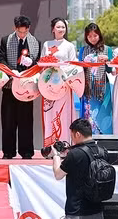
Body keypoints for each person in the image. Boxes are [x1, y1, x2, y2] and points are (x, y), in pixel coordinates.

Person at [0, 15, 40, 160]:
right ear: (14, 28)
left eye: (24, 32)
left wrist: (32, 63)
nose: (22, 34)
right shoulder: (6, 40)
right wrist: (11, 71)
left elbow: (39, 64)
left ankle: (26, 151)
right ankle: (8, 151)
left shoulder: (35, 42)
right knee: (8, 120)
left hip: (27, 87)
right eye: (19, 31)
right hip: (10, 86)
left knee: (26, 120)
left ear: (28, 29)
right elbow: (1, 60)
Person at [52, 118, 107, 219]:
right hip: (97, 210)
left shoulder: (75, 154)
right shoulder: (102, 151)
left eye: (72, 136)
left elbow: (58, 175)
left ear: (77, 134)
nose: (72, 139)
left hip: (77, 212)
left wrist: (56, 156)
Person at [41, 17, 77, 149]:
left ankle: (64, 147)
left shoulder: (69, 46)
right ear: (53, 29)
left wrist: (61, 70)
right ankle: (50, 148)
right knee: (49, 114)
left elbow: (73, 65)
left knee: (63, 114)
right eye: (58, 27)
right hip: (49, 85)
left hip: (64, 84)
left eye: (63, 27)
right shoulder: (46, 44)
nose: (61, 29)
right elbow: (42, 62)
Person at [78, 23, 113, 135]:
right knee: (88, 116)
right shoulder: (83, 50)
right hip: (87, 89)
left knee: (104, 116)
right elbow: (79, 68)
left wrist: (108, 60)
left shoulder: (107, 49)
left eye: (95, 35)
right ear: (86, 37)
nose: (92, 38)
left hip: (103, 89)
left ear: (99, 35)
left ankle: (105, 142)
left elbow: (110, 70)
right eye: (89, 36)